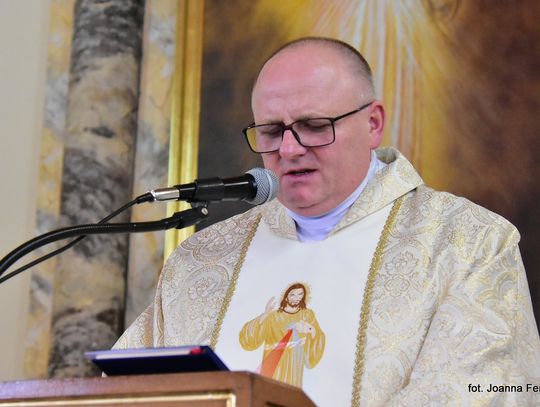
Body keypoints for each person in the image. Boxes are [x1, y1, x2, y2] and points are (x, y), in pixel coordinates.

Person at [114, 37, 540, 406]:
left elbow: (492, 388)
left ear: (373, 124)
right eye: (271, 131)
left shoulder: (470, 243)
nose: (290, 149)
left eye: (314, 126)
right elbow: (126, 389)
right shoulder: (202, 259)